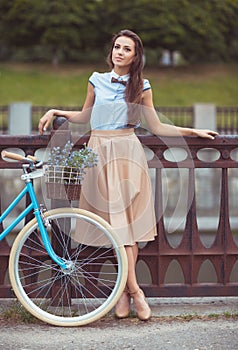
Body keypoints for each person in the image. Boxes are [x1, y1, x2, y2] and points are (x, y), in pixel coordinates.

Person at [38, 29, 218, 321]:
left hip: (127, 155)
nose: (120, 52)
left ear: (135, 57)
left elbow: (157, 127)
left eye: (127, 49)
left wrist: (191, 131)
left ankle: (128, 291)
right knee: (115, 228)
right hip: (99, 152)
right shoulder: (95, 80)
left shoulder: (142, 87)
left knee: (126, 226)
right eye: (117, 47)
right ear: (111, 51)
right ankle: (131, 291)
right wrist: (55, 110)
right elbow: (85, 117)